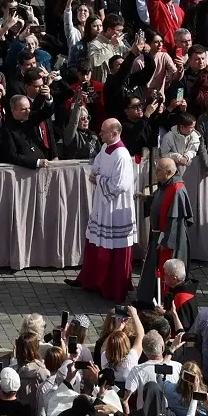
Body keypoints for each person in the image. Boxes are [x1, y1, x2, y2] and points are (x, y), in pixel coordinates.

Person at [76, 118, 140, 300]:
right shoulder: (105, 148)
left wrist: (99, 180)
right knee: (96, 243)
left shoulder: (122, 156)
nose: (100, 133)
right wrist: (96, 175)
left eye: (103, 131)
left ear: (114, 133)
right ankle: (93, 281)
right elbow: (96, 166)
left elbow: (120, 185)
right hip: (103, 205)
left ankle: (114, 287)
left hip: (116, 209)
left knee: (114, 249)